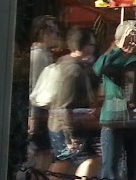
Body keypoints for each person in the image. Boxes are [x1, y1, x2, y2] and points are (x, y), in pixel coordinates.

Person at [95, 21, 136, 180]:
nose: (133, 41)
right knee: (110, 169)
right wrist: (119, 49)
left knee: (132, 168)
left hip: (135, 120)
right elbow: (98, 69)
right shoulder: (113, 58)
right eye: (130, 36)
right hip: (114, 121)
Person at [48, 28, 101, 178]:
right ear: (83, 46)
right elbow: (64, 106)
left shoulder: (65, 62)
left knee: (64, 163)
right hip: (68, 127)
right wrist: (71, 136)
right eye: (91, 44)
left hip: (59, 126)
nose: (94, 48)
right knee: (89, 162)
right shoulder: (74, 71)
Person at [27, 16, 62, 171]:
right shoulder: (39, 55)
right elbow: (35, 86)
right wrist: (33, 116)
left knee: (43, 152)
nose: (56, 35)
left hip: (42, 111)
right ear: (43, 33)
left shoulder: (43, 54)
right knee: (42, 153)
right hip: (40, 110)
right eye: (53, 31)